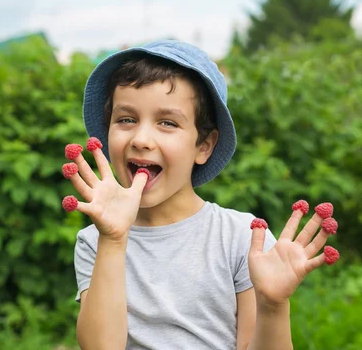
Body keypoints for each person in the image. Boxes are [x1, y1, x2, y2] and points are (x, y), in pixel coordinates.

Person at [62, 40, 338, 349]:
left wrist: (273, 307)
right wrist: (113, 240)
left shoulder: (242, 239)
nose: (141, 139)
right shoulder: (95, 243)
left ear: (203, 146)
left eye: (167, 123)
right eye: (126, 119)